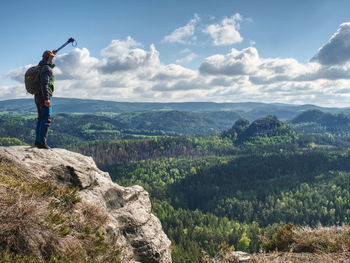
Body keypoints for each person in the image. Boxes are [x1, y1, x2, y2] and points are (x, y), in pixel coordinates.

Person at [34, 49, 57, 149]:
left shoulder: (40, 66)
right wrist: (47, 99)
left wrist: (51, 53)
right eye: (52, 57)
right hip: (44, 97)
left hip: (37, 96)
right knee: (46, 119)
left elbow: (44, 60)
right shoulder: (47, 69)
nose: (53, 59)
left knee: (40, 118)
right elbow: (45, 84)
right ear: (49, 58)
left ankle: (37, 142)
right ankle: (42, 143)